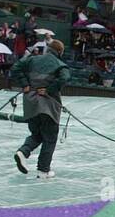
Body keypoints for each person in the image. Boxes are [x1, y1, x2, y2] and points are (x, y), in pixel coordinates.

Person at [10, 39, 71, 178]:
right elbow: (65, 78)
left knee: (37, 134)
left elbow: (15, 68)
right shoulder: (60, 65)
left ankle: (23, 152)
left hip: (30, 103)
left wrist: (24, 84)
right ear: (60, 52)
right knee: (50, 137)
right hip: (48, 106)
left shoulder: (31, 59)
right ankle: (43, 170)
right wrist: (49, 89)